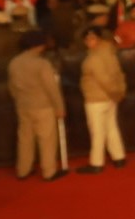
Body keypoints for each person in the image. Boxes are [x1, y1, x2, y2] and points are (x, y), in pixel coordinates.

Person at [7, 29, 66, 181]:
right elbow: (51, 87)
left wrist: (19, 99)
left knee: (25, 138)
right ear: (39, 45)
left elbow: (12, 87)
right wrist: (59, 106)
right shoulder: (42, 63)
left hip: (23, 105)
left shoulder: (14, 62)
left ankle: (23, 169)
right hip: (43, 106)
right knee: (46, 139)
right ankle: (49, 171)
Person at [77, 27, 127, 174]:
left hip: (96, 98)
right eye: (87, 39)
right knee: (111, 127)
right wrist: (118, 92)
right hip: (110, 97)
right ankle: (119, 157)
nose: (88, 42)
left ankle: (96, 163)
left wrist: (114, 93)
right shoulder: (110, 52)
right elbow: (119, 74)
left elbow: (103, 79)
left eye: (91, 38)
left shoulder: (94, 57)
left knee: (97, 132)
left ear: (98, 39)